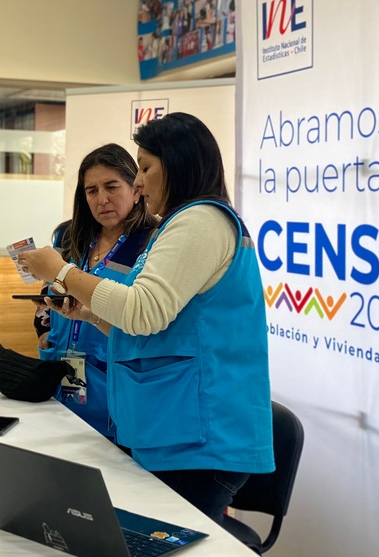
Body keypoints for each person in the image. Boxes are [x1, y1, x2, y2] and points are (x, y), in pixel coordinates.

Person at [18, 113, 273, 524]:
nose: (139, 182)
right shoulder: (179, 225)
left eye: (146, 168)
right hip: (172, 431)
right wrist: (88, 314)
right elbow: (161, 325)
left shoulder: (200, 222)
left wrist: (61, 272)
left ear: (180, 165)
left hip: (199, 438)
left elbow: (143, 312)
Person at [35, 144, 159, 441]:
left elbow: (145, 316)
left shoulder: (151, 242)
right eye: (91, 191)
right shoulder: (71, 236)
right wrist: (43, 333)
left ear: (135, 188)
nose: (102, 199)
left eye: (112, 187)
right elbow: (45, 297)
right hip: (62, 379)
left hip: (114, 384)